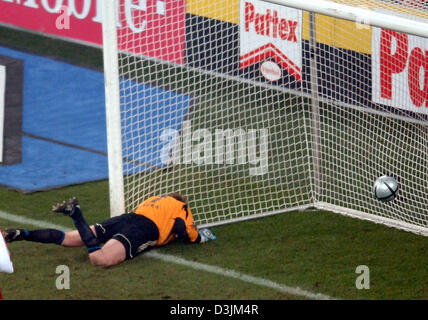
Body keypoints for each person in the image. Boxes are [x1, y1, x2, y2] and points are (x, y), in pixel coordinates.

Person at [3, 193, 216, 268]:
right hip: (143, 230)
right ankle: (77, 214)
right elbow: (183, 229)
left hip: (127, 218)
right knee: (100, 259)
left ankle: (19, 234)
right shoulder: (181, 207)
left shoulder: (155, 200)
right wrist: (199, 238)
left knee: (71, 239)